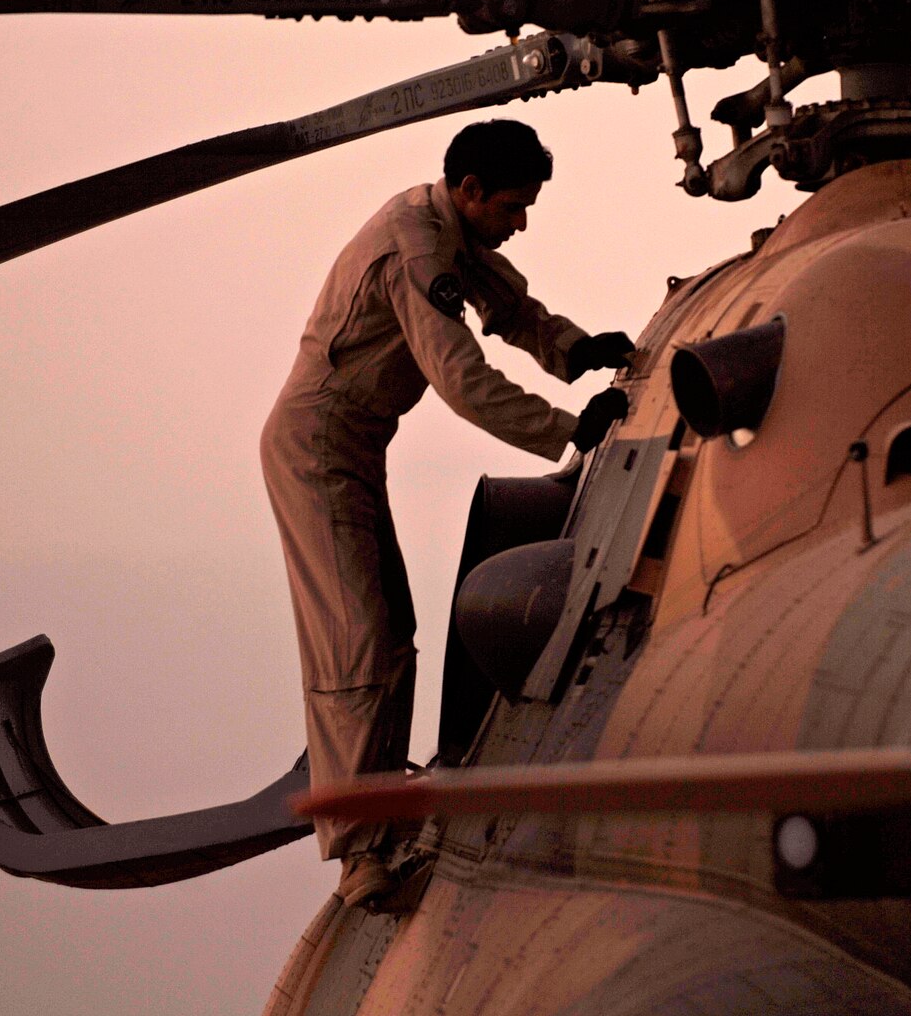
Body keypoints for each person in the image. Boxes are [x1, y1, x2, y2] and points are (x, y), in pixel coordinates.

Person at [259, 119, 632, 904]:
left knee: (395, 634)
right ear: (469, 192)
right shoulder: (416, 248)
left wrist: (577, 351)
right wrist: (568, 431)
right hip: (318, 446)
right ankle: (361, 853)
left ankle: (381, 817)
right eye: (513, 205)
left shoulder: (449, 230)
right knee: (359, 637)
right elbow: (461, 378)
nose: (521, 221)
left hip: (352, 445)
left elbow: (511, 307)